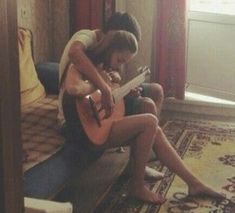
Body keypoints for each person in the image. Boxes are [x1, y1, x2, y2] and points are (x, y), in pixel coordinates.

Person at [59, 30, 224, 204]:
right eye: (120, 60)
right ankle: (137, 187)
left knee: (155, 130)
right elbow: (74, 89)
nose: (119, 65)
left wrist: (120, 90)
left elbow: (104, 98)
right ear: (110, 48)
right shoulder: (83, 63)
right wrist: (98, 83)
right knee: (149, 122)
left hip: (98, 124)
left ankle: (194, 183)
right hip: (76, 128)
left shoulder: (103, 67)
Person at [58, 12, 164, 180]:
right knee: (148, 108)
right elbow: (75, 54)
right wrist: (103, 86)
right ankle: (143, 158)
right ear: (115, 36)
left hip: (99, 94)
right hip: (81, 106)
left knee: (156, 91)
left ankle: (140, 158)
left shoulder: (108, 53)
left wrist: (120, 86)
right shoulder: (87, 36)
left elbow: (111, 78)